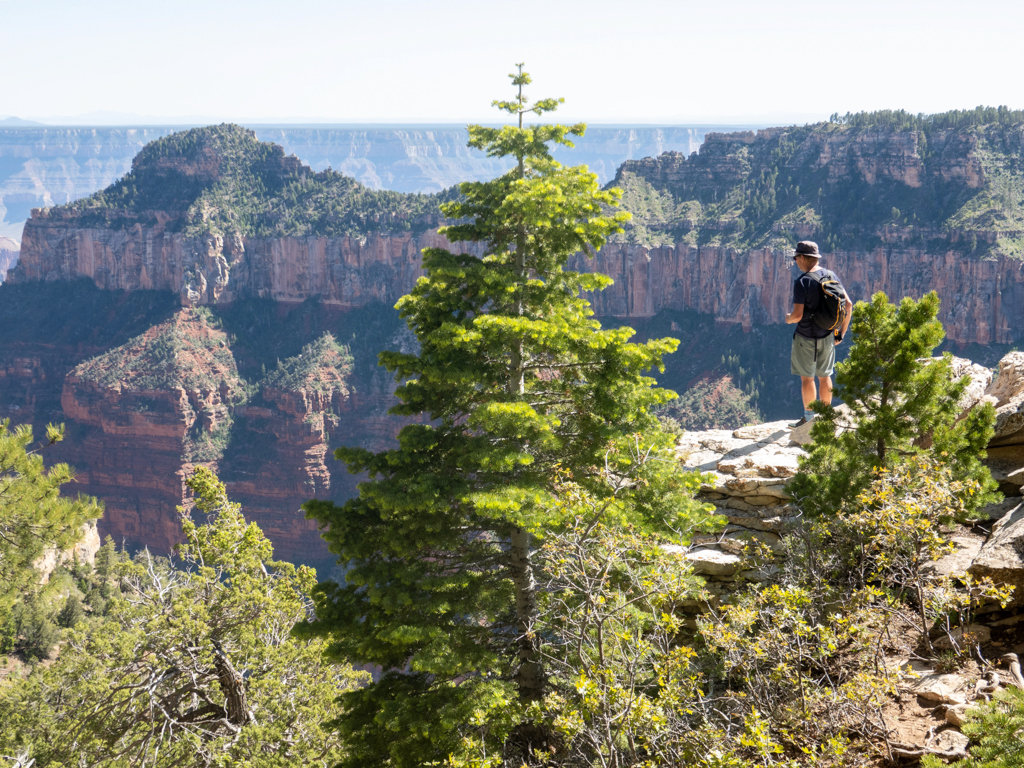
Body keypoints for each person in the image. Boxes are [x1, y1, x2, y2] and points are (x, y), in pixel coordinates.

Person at [784, 241, 852, 427]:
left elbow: (798, 315)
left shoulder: (802, 282)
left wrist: (788, 318)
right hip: (828, 336)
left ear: (803, 258)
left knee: (807, 378)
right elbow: (848, 304)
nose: (796, 261)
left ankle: (808, 420)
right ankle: (826, 418)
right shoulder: (831, 275)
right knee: (825, 376)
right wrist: (840, 333)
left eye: (797, 258)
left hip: (806, 337)